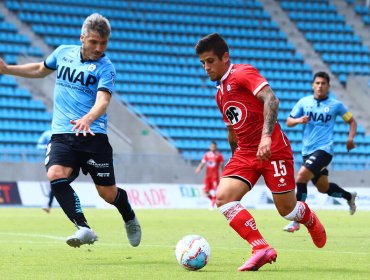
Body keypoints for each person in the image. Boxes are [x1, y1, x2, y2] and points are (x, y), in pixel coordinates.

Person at [0, 13, 141, 248]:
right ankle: (84, 228)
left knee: (107, 194)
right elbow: (39, 69)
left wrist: (88, 117)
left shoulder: (106, 67)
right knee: (56, 174)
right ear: (82, 38)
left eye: (103, 43)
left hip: (93, 135)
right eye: (93, 42)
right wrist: (7, 70)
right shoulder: (63, 52)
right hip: (63, 134)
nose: (98, 48)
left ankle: (129, 217)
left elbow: (103, 101)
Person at [195, 33, 326, 271]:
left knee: (287, 211)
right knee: (223, 198)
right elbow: (232, 128)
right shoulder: (219, 93)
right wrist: (235, 154)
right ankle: (260, 247)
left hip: (273, 148)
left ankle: (307, 216)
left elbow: (272, 100)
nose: (206, 67)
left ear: (225, 57)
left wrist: (266, 136)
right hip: (245, 153)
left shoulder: (242, 73)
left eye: (210, 61)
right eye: (203, 62)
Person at [283, 71, 357, 233]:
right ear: (312, 85)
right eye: (317, 83)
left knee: (301, 178)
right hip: (307, 151)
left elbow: (351, 121)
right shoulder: (304, 102)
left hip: (324, 150)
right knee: (323, 188)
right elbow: (288, 122)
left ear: (328, 86)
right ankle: (349, 197)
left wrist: (350, 138)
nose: (320, 86)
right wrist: (298, 120)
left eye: (323, 83)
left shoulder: (336, 105)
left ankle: (297, 220)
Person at [195, 141, 224, 209]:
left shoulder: (219, 155)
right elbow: (203, 163)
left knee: (214, 191)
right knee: (205, 192)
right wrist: (199, 168)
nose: (212, 148)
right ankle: (214, 201)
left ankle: (212, 206)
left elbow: (222, 165)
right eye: (211, 146)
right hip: (208, 176)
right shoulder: (207, 155)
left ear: (216, 147)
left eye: (214, 146)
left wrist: (223, 174)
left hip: (215, 176)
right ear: (210, 147)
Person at [36, 128, 54, 213]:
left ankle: (49, 205)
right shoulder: (47, 133)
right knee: (54, 183)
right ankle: (48, 205)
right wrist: (48, 145)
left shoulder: (63, 131)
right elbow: (38, 146)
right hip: (51, 160)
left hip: (64, 160)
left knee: (56, 184)